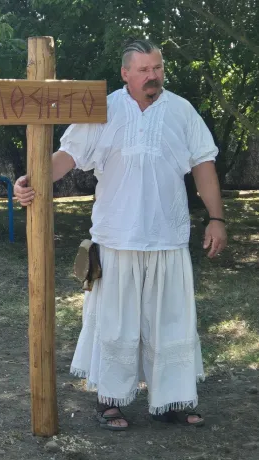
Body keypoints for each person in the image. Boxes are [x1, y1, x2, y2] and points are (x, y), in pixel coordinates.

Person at [14, 39, 227, 430]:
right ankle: (110, 401)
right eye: (144, 70)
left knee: (172, 323)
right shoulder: (103, 109)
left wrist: (216, 219)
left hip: (167, 238)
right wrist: (33, 178)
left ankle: (172, 401)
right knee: (115, 324)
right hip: (115, 239)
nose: (153, 76)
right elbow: (68, 155)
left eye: (158, 68)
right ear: (126, 73)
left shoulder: (181, 111)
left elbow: (203, 165)